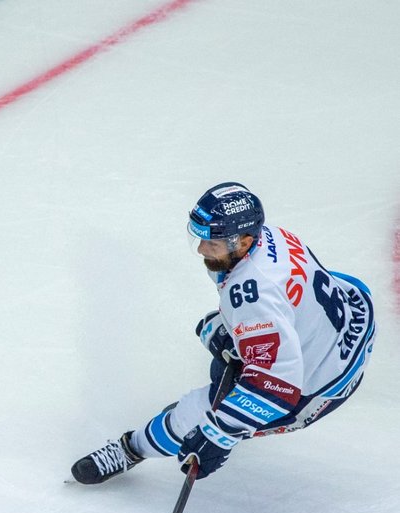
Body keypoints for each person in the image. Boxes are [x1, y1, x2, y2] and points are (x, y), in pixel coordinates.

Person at [72, 183, 374, 484]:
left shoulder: (252, 295)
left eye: (212, 243)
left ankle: (131, 449)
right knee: (215, 332)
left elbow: (278, 384)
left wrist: (219, 433)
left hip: (320, 385)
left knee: (193, 415)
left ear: (242, 242)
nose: (202, 249)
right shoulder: (274, 237)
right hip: (352, 324)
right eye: (200, 238)